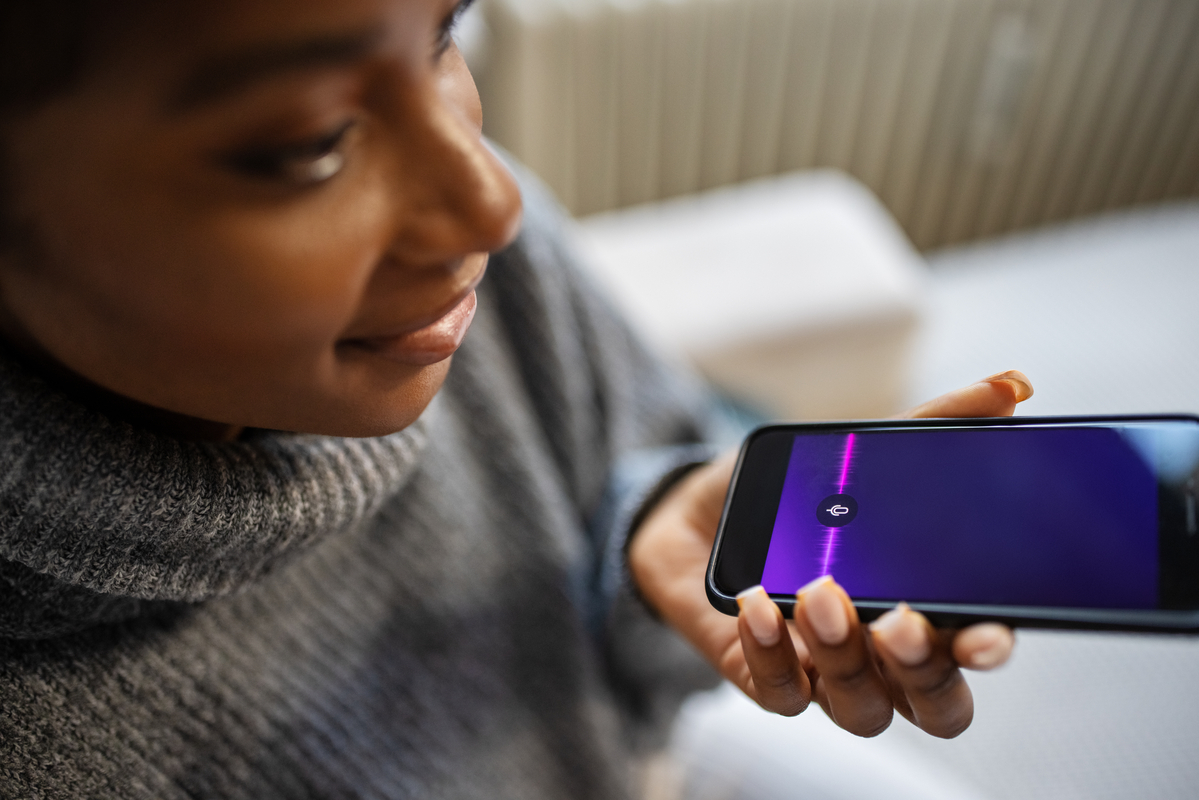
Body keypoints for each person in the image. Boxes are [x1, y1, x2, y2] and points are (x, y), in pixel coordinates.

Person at [0, 0, 1026, 796]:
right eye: (308, 144)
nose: (492, 202)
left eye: (444, 32)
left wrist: (652, 547)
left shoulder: (483, 277)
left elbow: (624, 508)